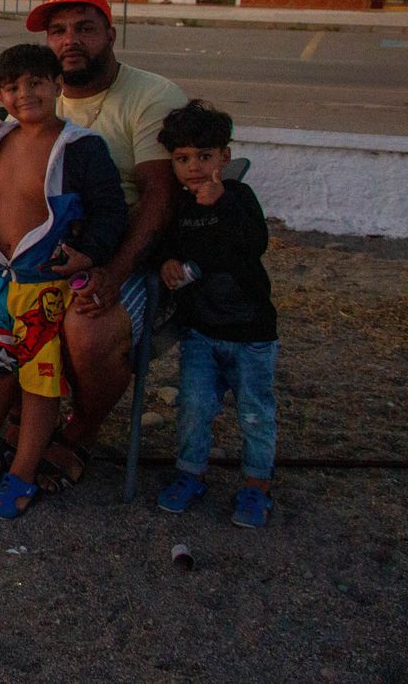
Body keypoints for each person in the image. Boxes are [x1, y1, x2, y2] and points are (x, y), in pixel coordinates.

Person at [0, 0, 187, 493]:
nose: (71, 40)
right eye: (58, 31)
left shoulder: (151, 96)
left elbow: (159, 200)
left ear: (110, 34)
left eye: (84, 28)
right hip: (23, 260)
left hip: (115, 252)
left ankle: (78, 432)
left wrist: (111, 272)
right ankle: (20, 412)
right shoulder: (34, 99)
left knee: (88, 327)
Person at [0, 43, 126, 518]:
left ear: (57, 85)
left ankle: (22, 473)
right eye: (12, 87)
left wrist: (89, 254)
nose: (25, 94)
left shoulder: (80, 148)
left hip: (45, 286)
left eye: (36, 83)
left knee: (40, 384)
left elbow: (110, 210)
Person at [152, 101, 279, 528]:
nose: (193, 167)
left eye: (204, 156)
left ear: (224, 157)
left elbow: (254, 243)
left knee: (255, 412)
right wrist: (167, 262)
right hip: (201, 332)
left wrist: (222, 203)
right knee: (194, 405)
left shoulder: (239, 197)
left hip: (251, 333)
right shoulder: (178, 208)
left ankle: (257, 485)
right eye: (182, 158)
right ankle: (190, 474)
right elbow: (166, 246)